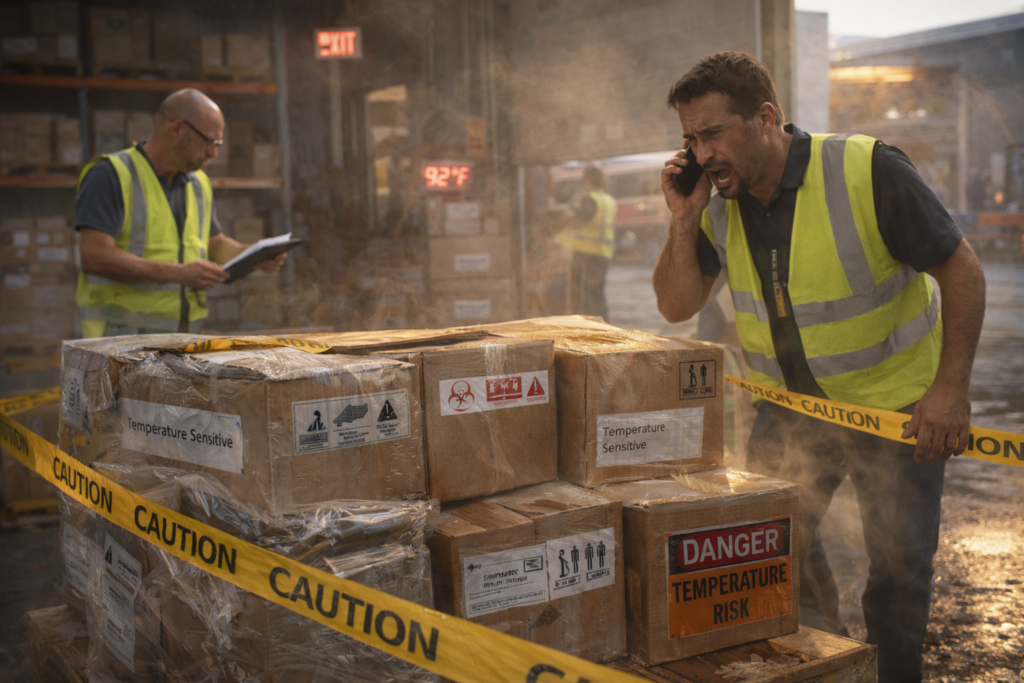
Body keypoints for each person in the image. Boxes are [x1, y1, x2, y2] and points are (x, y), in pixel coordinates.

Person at [653, 52, 985, 683]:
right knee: (779, 555)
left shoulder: (865, 170)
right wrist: (683, 219)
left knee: (898, 576)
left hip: (896, 415)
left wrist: (950, 390)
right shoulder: (715, 201)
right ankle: (826, 666)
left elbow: (961, 270)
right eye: (689, 139)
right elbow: (676, 305)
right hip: (791, 413)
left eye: (712, 133)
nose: (700, 153)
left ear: (765, 118)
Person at [75, 88, 285, 338]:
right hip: (121, 340)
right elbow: (94, 256)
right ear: (177, 129)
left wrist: (253, 255)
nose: (214, 153)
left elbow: (215, 245)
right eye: (209, 141)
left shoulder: (199, 183)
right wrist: (180, 274)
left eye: (218, 144)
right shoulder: (110, 175)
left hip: (183, 339)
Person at [557, 164, 617, 317]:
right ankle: (604, 329)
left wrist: (566, 219)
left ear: (588, 181)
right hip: (603, 254)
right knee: (597, 294)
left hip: (587, 255)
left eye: (583, 181)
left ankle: (591, 330)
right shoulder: (608, 200)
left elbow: (578, 221)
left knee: (585, 297)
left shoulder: (590, 200)